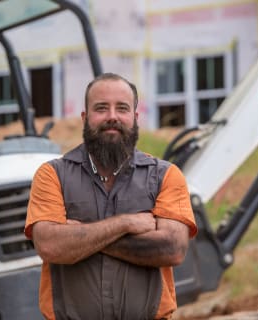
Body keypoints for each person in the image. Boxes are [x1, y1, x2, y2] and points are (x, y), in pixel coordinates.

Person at [25, 72, 197, 320]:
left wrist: (80, 238)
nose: (112, 117)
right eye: (101, 108)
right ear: (85, 118)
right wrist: (126, 224)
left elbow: (172, 248)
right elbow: (50, 245)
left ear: (135, 118)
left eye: (122, 108)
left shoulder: (165, 176)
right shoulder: (52, 175)